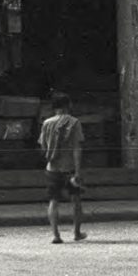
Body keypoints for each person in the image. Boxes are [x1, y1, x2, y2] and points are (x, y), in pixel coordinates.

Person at [38, 91, 86, 243]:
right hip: (69, 168)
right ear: (68, 105)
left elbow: (43, 146)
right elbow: (76, 148)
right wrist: (78, 171)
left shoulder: (47, 123)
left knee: (53, 201)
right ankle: (77, 233)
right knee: (76, 201)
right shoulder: (74, 122)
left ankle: (56, 235)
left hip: (52, 168)